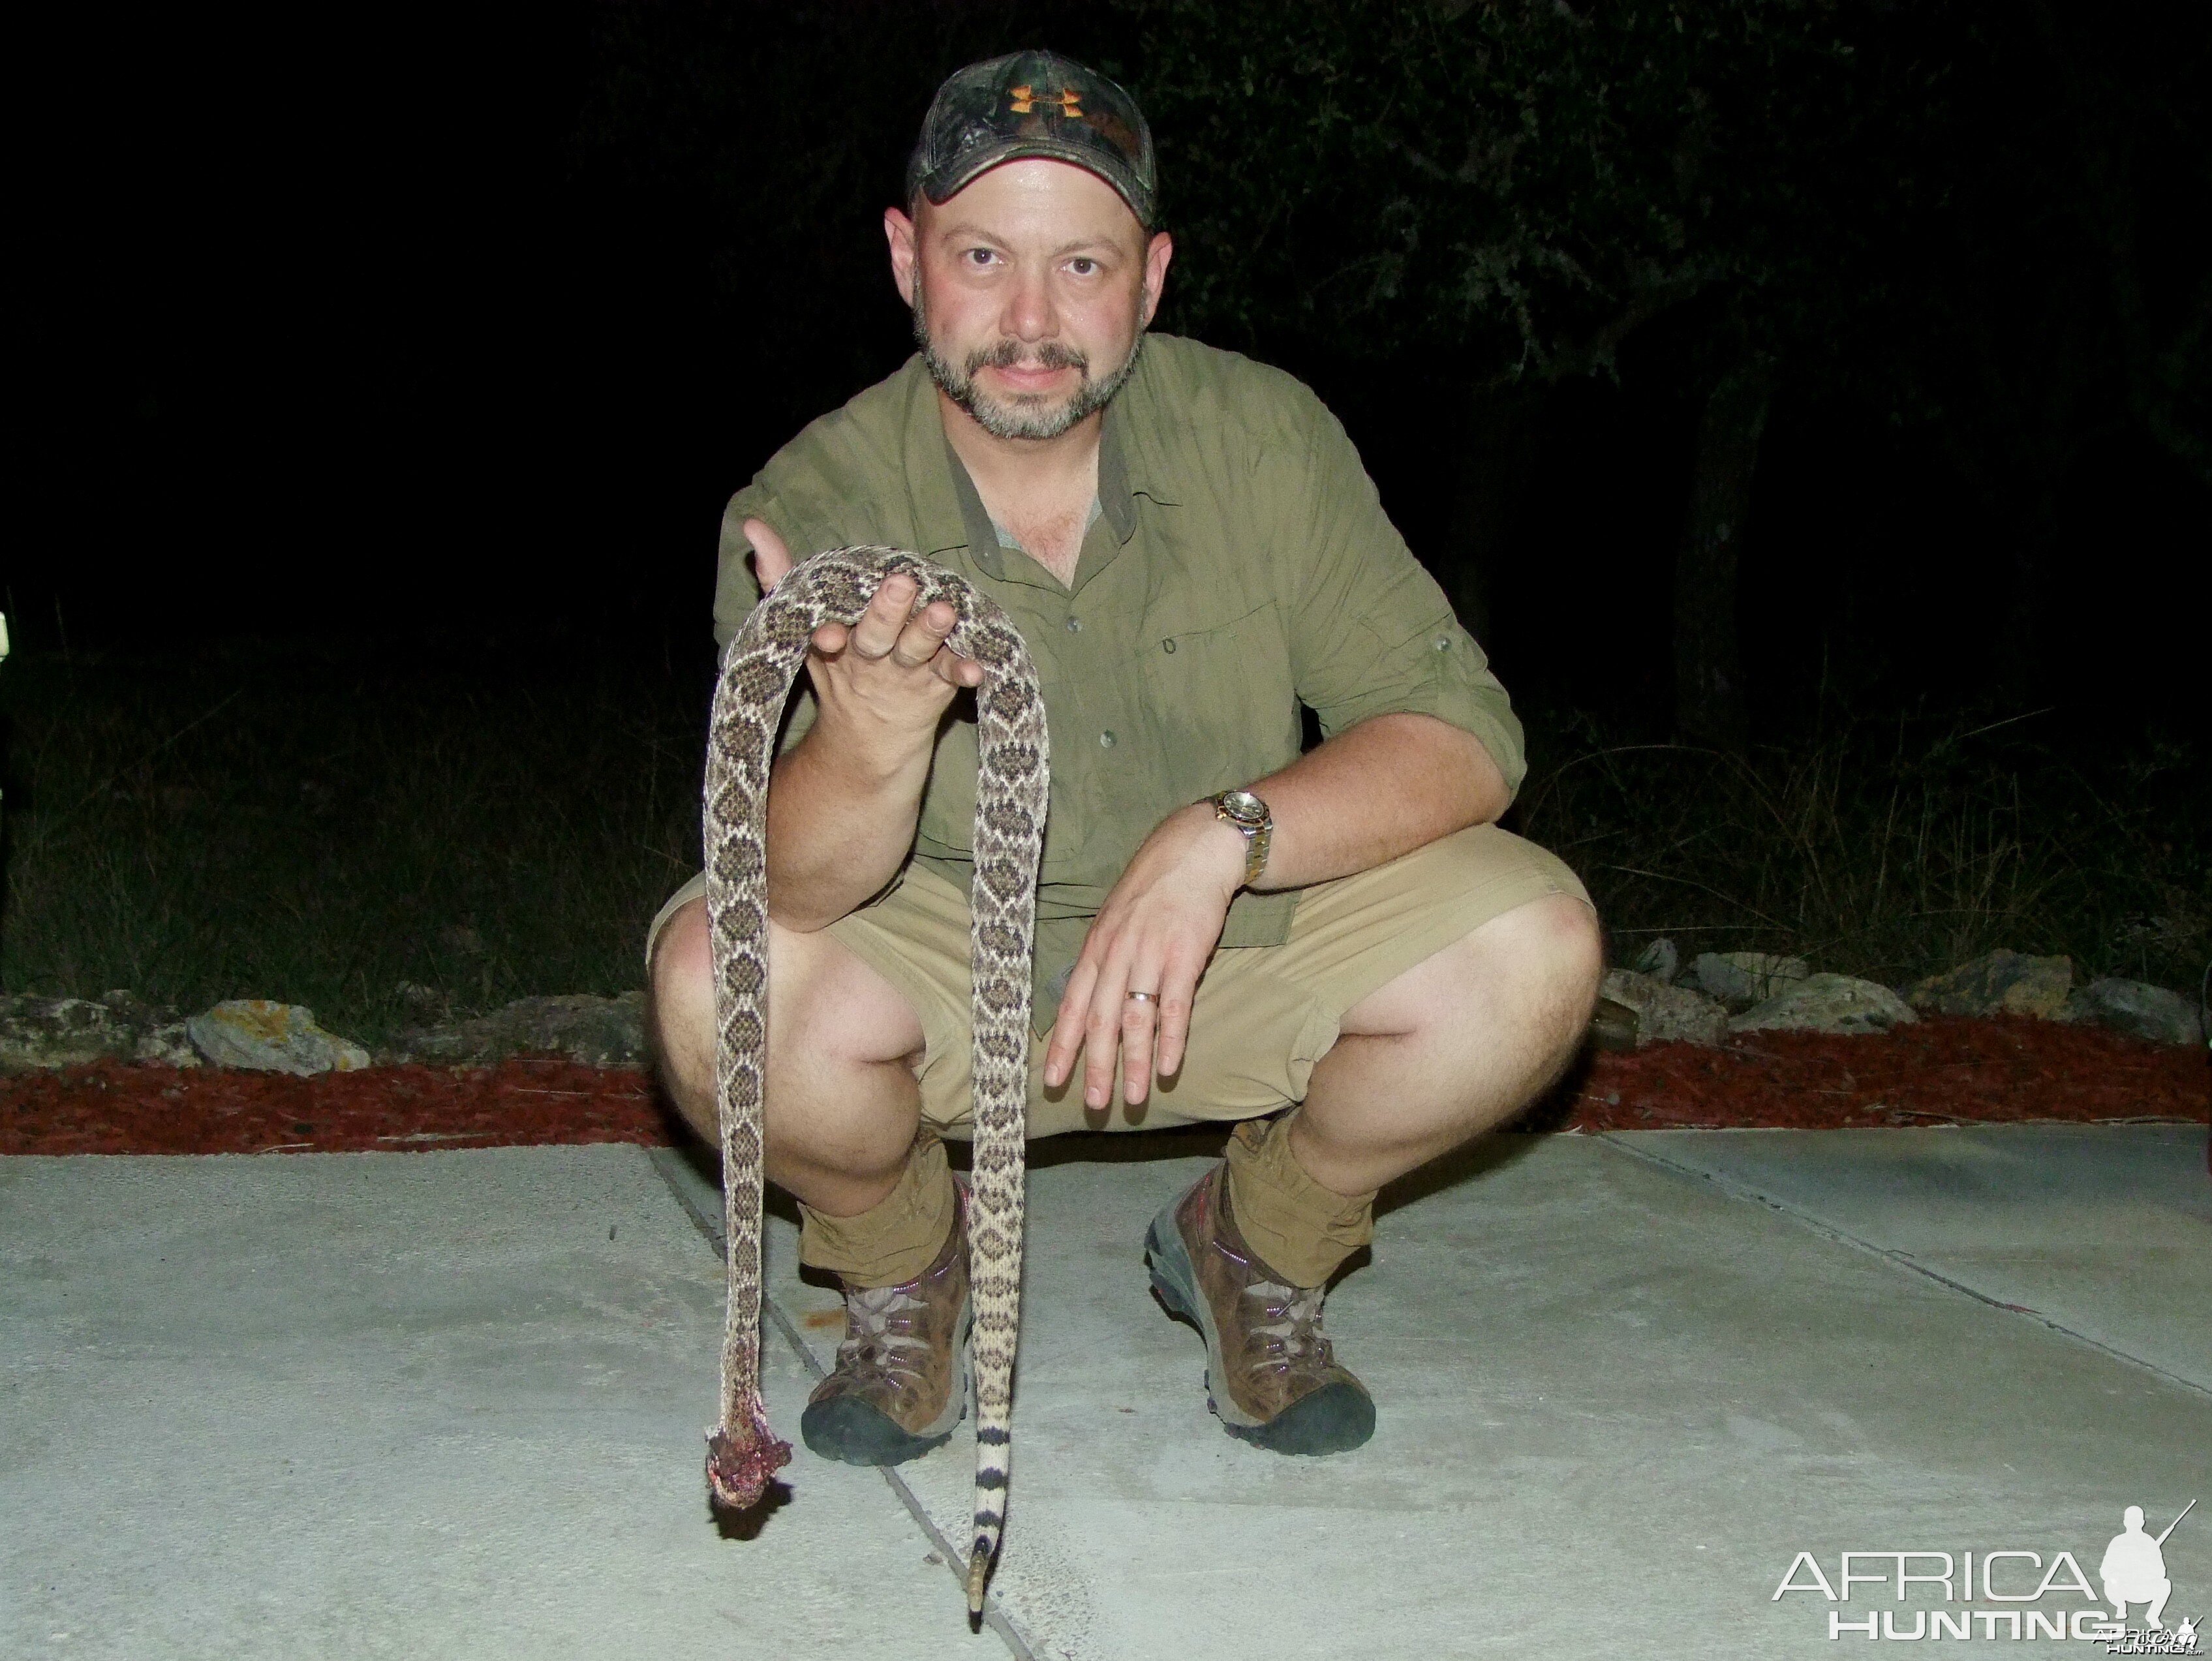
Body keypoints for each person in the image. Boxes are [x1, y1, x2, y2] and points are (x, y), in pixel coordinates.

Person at [646, 50, 1603, 1463]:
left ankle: (1254, 1239)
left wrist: (1228, 833)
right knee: (706, 982)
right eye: (983, 255)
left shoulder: (1263, 438)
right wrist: (870, 739)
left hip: (1226, 951)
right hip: (942, 966)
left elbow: (1463, 735)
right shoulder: (812, 501)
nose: (1033, 318)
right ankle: (906, 1263)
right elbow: (775, 886)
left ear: (1149, 278)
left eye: (1081, 265)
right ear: (909, 260)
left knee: (1537, 950)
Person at [2100, 1505, 2174, 1629]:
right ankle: (2121, 1606)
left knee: (2165, 1584)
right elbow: (2105, 1572)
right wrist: (2121, 1572)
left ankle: (2153, 1616)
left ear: (2125, 1523)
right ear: (2142, 1522)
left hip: (2143, 1590)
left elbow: (2161, 1573)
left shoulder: (2149, 1543)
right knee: (2110, 1581)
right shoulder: (2118, 1542)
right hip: (2122, 1589)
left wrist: (2143, 1569)